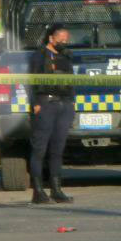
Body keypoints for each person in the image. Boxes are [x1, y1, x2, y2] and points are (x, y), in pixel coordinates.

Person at [27, 24, 75, 204]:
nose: (64, 42)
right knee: (40, 149)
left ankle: (56, 190)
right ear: (51, 38)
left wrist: (71, 103)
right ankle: (38, 191)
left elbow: (70, 81)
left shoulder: (65, 56)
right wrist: (35, 104)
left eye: (66, 39)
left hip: (64, 104)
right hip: (45, 103)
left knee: (57, 149)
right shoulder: (39, 56)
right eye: (60, 39)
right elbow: (32, 81)